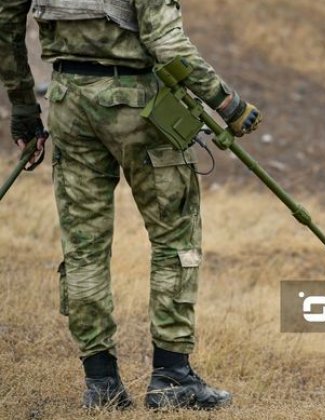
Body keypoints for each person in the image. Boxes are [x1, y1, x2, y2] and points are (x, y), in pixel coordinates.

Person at [0, 0, 261, 410]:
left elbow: (6, 24)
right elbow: (166, 42)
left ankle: (101, 383)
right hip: (142, 105)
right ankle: (173, 379)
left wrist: (24, 109)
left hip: (69, 103)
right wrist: (228, 104)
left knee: (84, 248)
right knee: (175, 240)